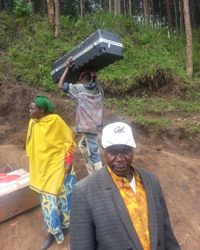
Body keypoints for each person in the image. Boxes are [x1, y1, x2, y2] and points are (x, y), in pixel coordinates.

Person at [70, 122, 180, 250]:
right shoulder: (85, 191)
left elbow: (166, 230)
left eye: (126, 151)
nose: (120, 159)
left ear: (133, 150)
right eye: (112, 152)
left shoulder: (151, 180)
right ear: (103, 149)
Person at [26, 94, 76, 250]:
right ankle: (53, 232)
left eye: (32, 108)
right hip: (43, 169)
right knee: (48, 203)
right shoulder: (32, 124)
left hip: (59, 166)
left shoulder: (56, 121)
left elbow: (68, 140)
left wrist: (68, 161)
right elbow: (32, 147)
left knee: (63, 199)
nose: (29, 111)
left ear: (41, 110)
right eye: (29, 108)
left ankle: (66, 225)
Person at [58, 56, 104, 175]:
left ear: (82, 79)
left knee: (94, 153)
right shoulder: (99, 90)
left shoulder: (79, 88)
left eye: (80, 78)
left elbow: (60, 85)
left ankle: (102, 178)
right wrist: (94, 76)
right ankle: (92, 174)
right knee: (82, 146)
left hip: (88, 127)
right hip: (96, 126)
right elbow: (94, 84)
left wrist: (67, 68)